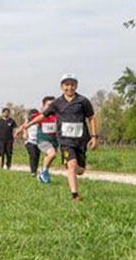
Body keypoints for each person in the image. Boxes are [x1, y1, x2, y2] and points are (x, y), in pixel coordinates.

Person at [17, 74, 98, 202]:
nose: (69, 87)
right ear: (61, 87)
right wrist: (27, 125)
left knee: (80, 170)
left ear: (76, 86)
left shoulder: (83, 101)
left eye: (72, 85)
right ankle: (75, 195)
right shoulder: (57, 103)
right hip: (65, 140)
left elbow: (91, 118)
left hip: (80, 139)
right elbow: (42, 115)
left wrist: (94, 137)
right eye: (66, 85)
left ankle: (71, 166)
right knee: (72, 165)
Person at [34, 96, 59, 184]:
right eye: (48, 105)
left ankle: (43, 174)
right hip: (42, 139)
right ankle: (44, 172)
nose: (51, 107)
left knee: (50, 156)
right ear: (44, 106)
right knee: (52, 154)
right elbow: (29, 119)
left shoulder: (58, 116)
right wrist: (23, 129)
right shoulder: (40, 116)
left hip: (54, 141)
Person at [23, 109, 41, 177]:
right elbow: (24, 127)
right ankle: (33, 172)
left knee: (37, 156)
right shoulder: (28, 122)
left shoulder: (39, 122)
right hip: (30, 141)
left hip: (38, 142)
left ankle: (35, 170)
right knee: (33, 155)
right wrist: (25, 133)